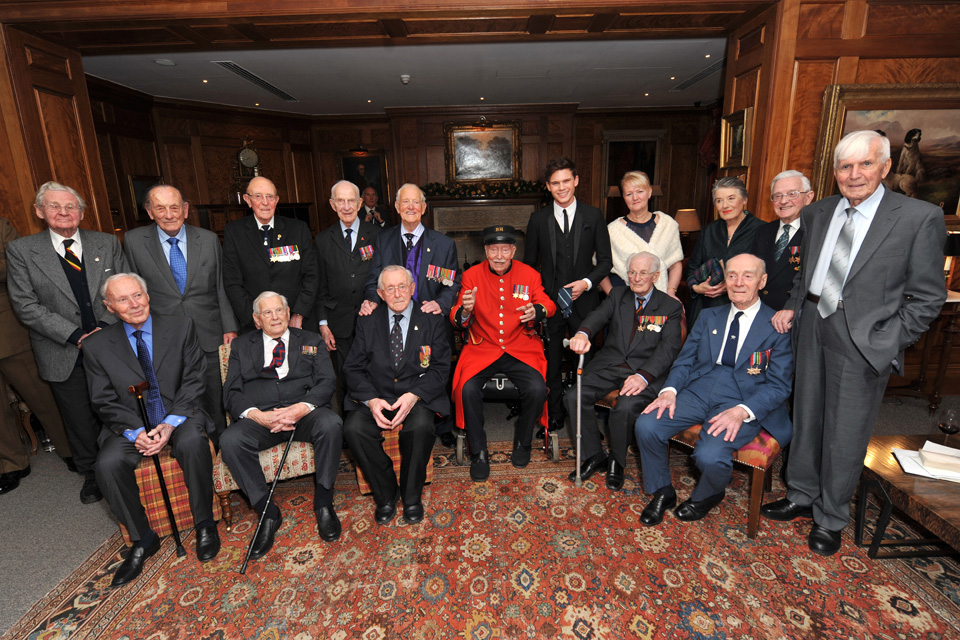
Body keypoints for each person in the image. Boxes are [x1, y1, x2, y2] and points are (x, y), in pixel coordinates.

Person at [761, 130, 947, 556]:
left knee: (846, 431)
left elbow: (928, 296)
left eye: (865, 164)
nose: (854, 174)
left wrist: (887, 339)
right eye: (845, 166)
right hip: (812, 326)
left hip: (864, 339)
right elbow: (807, 274)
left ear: (885, 167)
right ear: (835, 173)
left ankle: (830, 516)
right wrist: (794, 306)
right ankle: (801, 494)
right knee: (806, 415)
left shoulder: (917, 218)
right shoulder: (818, 213)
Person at [635, 253, 792, 526]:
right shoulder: (709, 316)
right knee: (647, 425)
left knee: (709, 455)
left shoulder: (776, 325)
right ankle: (662, 491)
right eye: (732, 275)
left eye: (747, 275)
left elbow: (779, 385)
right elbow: (685, 360)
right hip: (700, 387)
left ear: (762, 281)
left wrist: (743, 412)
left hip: (744, 398)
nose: (738, 282)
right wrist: (669, 390)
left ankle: (708, 494)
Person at [83, 273, 218, 587]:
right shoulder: (96, 346)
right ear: (109, 307)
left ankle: (205, 524)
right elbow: (101, 400)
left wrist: (169, 425)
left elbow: (195, 379)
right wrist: (135, 432)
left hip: (179, 415)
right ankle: (142, 539)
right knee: (106, 464)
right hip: (130, 424)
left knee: (193, 444)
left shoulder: (182, 326)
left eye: (137, 295)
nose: (134, 305)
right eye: (123, 300)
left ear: (147, 294)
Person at [6, 181, 129, 504]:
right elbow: (26, 305)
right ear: (39, 212)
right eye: (54, 206)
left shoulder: (106, 243)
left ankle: (129, 465)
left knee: (120, 407)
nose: (63, 213)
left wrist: (102, 328)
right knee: (78, 416)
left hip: (111, 342)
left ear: (82, 212)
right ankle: (93, 474)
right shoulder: (22, 251)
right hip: (61, 349)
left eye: (70, 206)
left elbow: (124, 288)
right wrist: (76, 336)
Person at [220, 291, 343, 558]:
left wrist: (300, 409)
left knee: (331, 423)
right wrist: (258, 416)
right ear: (256, 320)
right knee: (230, 440)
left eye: (279, 311)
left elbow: (326, 382)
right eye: (267, 312)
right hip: (263, 419)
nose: (275, 317)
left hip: (304, 414)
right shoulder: (241, 346)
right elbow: (231, 393)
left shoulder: (310, 341)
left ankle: (323, 502)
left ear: (288, 313)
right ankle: (267, 511)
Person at [124, 185, 238, 442]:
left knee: (216, 397)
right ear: (149, 212)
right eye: (160, 208)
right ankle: (192, 450)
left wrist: (229, 326)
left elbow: (220, 285)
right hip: (164, 337)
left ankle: (222, 450)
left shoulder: (208, 239)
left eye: (174, 207)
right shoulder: (133, 241)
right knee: (175, 398)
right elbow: (133, 290)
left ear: (185, 210)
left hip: (209, 332)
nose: (168, 214)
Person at [565, 251, 683, 490]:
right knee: (573, 397)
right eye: (632, 272)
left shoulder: (670, 306)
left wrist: (644, 376)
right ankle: (594, 455)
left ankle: (616, 462)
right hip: (610, 364)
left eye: (642, 273)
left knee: (625, 407)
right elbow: (596, 317)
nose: (636, 278)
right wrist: (582, 333)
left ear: (656, 276)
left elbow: (669, 348)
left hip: (643, 371)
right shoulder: (618, 295)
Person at [342, 266, 450, 525]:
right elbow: (353, 368)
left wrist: (414, 395)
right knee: (353, 429)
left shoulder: (431, 319)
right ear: (380, 293)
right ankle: (386, 494)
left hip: (417, 394)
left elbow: (441, 367)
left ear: (413, 289)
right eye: (390, 288)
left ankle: (412, 496)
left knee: (421, 426)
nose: (398, 293)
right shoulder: (367, 320)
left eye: (403, 286)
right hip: (377, 394)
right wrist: (372, 400)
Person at [451, 225, 556, 481]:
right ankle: (479, 452)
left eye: (505, 249)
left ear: (513, 251)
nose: (499, 255)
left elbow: (548, 303)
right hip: (482, 347)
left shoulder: (529, 274)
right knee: (467, 389)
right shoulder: (472, 276)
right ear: (486, 250)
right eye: (493, 249)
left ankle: (523, 441)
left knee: (537, 389)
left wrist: (538, 311)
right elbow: (457, 316)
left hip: (520, 346)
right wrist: (465, 311)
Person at [360, 183, 460, 447]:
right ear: (396, 207)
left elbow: (452, 283)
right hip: (394, 321)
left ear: (424, 208)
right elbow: (373, 281)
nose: (411, 207)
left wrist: (442, 303)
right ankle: (400, 417)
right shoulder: (383, 240)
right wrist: (372, 300)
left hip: (431, 321)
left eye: (416, 203)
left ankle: (443, 423)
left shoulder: (443, 244)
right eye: (406, 202)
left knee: (437, 369)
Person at [523, 157, 612, 435]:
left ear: (576, 181)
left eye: (566, 181)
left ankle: (583, 415)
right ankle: (556, 415)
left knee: (582, 360)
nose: (561, 188)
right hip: (549, 304)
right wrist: (536, 300)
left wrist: (587, 283)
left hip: (585, 303)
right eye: (555, 183)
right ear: (548, 187)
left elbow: (606, 262)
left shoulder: (594, 215)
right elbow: (528, 266)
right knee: (550, 360)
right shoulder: (537, 219)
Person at [0, 217, 73, 495]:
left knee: (41, 393)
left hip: (7, 328)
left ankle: (70, 449)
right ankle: (10, 464)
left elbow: (16, 265)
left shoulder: (2, 226)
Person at [222, 176, 319, 334]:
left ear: (277, 200)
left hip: (297, 322)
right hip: (255, 326)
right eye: (258, 196)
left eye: (270, 197)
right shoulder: (234, 232)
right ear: (247, 200)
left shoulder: (298, 229)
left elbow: (311, 275)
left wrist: (299, 313)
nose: (265, 202)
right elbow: (232, 282)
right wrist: (255, 318)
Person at [315, 181, 381, 389]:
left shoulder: (378, 236)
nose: (346, 206)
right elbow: (319, 285)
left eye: (351, 200)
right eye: (340, 201)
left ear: (360, 203)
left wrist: (374, 301)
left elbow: (384, 276)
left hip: (373, 319)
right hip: (338, 324)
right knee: (345, 378)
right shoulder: (322, 240)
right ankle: (348, 420)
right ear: (332, 204)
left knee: (378, 375)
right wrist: (323, 324)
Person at [685, 177, 764, 327]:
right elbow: (691, 268)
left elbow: (765, 275)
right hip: (705, 308)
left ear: (745, 199)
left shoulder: (762, 230)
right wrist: (697, 288)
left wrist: (730, 284)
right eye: (719, 200)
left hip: (743, 311)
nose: (724, 205)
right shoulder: (709, 230)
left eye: (731, 198)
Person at [601, 171, 683, 299]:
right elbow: (600, 268)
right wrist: (613, 297)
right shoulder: (612, 231)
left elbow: (675, 264)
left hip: (660, 298)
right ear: (624, 197)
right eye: (629, 194)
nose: (635, 198)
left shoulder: (668, 224)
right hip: (623, 299)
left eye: (640, 191)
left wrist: (671, 292)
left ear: (649, 192)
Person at [751, 171, 814, 311]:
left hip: (791, 314)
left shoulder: (815, 234)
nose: (784, 201)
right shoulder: (763, 231)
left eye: (792, 194)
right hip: (760, 312)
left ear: (808, 197)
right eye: (777, 196)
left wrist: (791, 309)